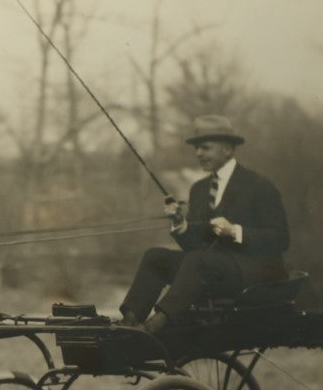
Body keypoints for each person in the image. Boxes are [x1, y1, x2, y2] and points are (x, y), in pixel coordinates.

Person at [119, 114, 289, 335]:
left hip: (252, 275)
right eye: (197, 148)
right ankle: (129, 324)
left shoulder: (258, 186)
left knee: (199, 262)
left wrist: (235, 231)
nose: (198, 153)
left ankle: (155, 327)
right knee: (156, 256)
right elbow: (195, 248)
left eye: (205, 147)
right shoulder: (198, 189)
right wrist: (181, 226)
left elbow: (280, 239)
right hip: (212, 271)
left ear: (227, 149)